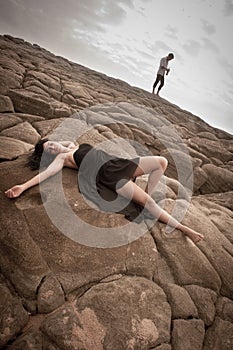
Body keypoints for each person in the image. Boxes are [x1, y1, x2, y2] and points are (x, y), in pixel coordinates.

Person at [5, 139, 204, 244]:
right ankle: (185, 230)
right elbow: (46, 173)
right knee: (148, 205)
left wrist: (52, 143)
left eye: (52, 144)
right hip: (109, 177)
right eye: (50, 149)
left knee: (162, 162)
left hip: (116, 163)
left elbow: (65, 142)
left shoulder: (72, 145)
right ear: (50, 155)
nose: (54, 147)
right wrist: (23, 187)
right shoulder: (62, 159)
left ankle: (145, 195)